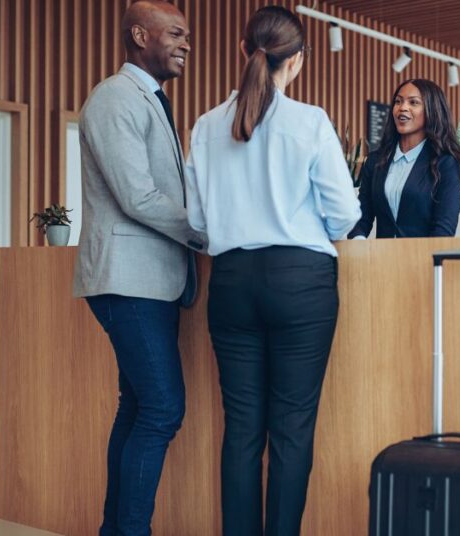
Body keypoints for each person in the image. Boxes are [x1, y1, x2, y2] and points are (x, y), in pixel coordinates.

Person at [183, 6, 360, 535]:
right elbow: (345, 216)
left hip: (232, 283)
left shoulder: (206, 125)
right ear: (298, 61)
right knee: (291, 429)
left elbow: (197, 222)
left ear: (245, 52)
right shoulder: (309, 122)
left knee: (241, 429)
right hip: (300, 285)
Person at [72, 1, 206, 535]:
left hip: (152, 281)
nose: (186, 43)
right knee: (162, 410)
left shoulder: (152, 99)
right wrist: (207, 233)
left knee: (137, 409)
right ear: (138, 35)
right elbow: (137, 196)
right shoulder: (114, 97)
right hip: (128, 280)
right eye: (175, 33)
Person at [348, 79, 460, 239]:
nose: (402, 108)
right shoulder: (375, 161)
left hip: (422, 259)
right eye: (398, 101)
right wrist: (359, 243)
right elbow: (361, 218)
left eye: (413, 102)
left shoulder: (445, 163)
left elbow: (443, 228)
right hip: (380, 260)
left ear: (432, 110)